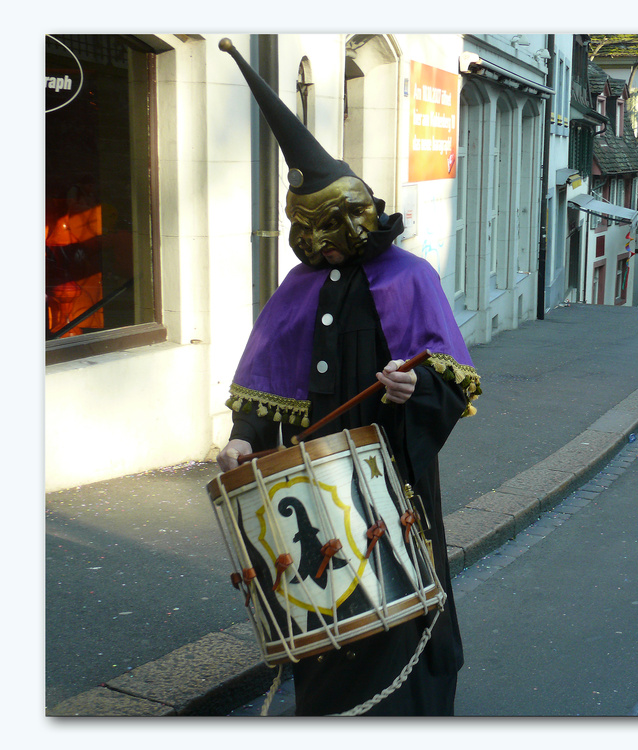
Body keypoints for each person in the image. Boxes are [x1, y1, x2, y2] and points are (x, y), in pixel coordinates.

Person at [215, 39, 481, 716]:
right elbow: (266, 380)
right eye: (311, 234)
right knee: (320, 603)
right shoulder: (296, 289)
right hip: (306, 482)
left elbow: (450, 385)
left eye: (331, 230)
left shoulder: (411, 278)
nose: (322, 246)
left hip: (390, 477)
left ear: (356, 217)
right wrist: (245, 437)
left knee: (397, 601)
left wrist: (413, 391)